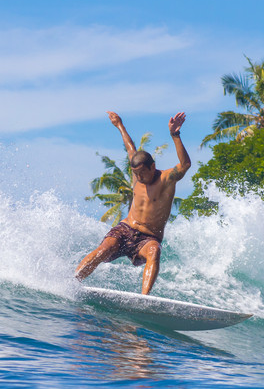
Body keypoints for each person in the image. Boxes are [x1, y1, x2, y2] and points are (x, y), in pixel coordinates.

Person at [75, 111, 191, 295]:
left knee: (154, 252)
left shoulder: (166, 179)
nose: (138, 177)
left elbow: (184, 165)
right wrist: (119, 125)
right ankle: (72, 282)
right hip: (125, 229)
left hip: (148, 238)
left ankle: (144, 299)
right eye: (135, 174)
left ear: (153, 167)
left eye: (142, 173)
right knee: (104, 249)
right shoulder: (137, 172)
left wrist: (175, 135)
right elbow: (130, 147)